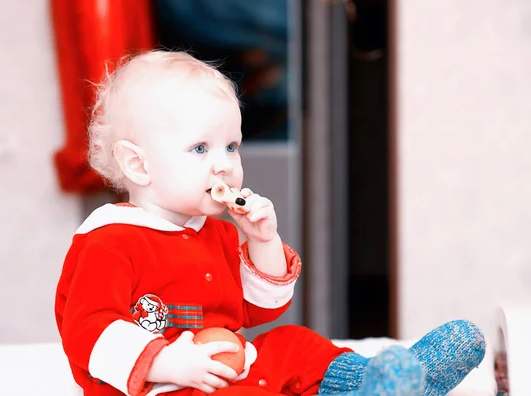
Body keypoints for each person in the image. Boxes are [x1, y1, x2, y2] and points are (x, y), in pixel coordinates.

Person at [55, 50, 486, 396]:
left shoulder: (217, 233)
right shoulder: (108, 241)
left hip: (231, 368)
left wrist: (263, 240)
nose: (224, 165)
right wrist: (166, 363)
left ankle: (374, 383)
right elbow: (87, 330)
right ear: (138, 164)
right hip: (163, 385)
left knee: (292, 344)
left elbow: (258, 308)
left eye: (232, 147)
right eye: (201, 149)